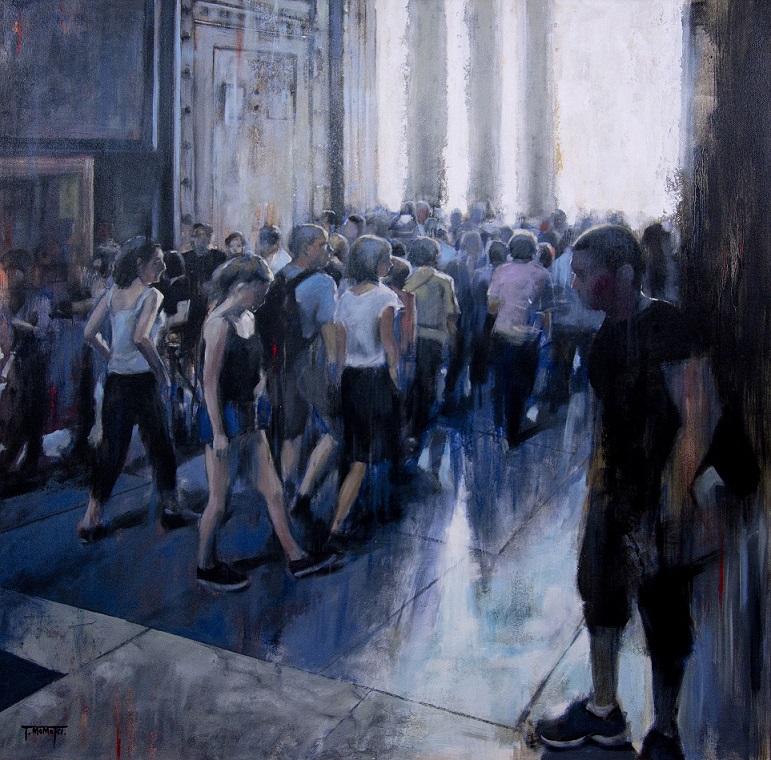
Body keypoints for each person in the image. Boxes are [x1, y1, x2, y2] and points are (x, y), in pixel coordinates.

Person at [535, 225, 697, 760]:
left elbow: (694, 422)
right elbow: (607, 425)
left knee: (663, 613)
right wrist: (598, 492)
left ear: (623, 274)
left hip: (663, 495)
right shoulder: (604, 338)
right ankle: (604, 710)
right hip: (617, 491)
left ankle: (665, 730)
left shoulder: (667, 326)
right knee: (600, 595)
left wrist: (672, 506)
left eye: (584, 274)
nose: (575, 283)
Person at [197, 256, 336, 590]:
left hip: (249, 414)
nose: (263, 297)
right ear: (242, 286)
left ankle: (296, 557)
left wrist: (260, 390)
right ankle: (204, 564)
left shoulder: (248, 318)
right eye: (260, 290)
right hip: (223, 416)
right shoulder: (218, 323)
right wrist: (218, 432)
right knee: (219, 500)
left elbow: (255, 364)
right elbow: (210, 383)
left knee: (273, 490)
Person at [77, 237, 186, 542]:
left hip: (116, 381)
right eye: (157, 261)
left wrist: (111, 355)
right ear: (139, 264)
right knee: (160, 443)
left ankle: (90, 518)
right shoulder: (151, 295)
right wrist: (161, 373)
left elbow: (89, 332)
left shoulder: (113, 293)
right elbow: (141, 337)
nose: (162, 267)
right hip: (142, 381)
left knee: (112, 450)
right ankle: (171, 506)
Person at [326, 236, 401, 550]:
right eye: (386, 259)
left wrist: (339, 380)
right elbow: (389, 345)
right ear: (376, 263)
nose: (390, 264)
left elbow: (340, 349)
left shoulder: (345, 297)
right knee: (365, 455)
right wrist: (396, 379)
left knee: (354, 449)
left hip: (350, 379)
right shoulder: (385, 297)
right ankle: (338, 524)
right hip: (375, 379)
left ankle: (350, 508)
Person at [258, 225, 338, 518]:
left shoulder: (278, 277)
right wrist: (336, 370)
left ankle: (286, 490)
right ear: (306, 248)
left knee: (291, 431)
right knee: (336, 428)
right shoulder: (323, 283)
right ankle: (304, 494)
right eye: (322, 244)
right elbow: (329, 331)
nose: (328, 250)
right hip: (309, 364)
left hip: (280, 365)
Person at [487, 230, 554, 446]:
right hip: (528, 337)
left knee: (502, 378)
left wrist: (507, 303)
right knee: (522, 384)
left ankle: (500, 421)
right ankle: (513, 430)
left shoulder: (500, 271)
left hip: (503, 333)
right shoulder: (542, 274)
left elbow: (491, 307)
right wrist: (546, 336)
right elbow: (547, 311)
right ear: (534, 250)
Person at [0, 248, 52, 478]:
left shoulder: (38, 298)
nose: (11, 275)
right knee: (20, 408)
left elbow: (43, 330)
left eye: (15, 270)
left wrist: (27, 327)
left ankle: (28, 458)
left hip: (37, 359)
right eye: (8, 270)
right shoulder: (6, 300)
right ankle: (17, 457)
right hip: (18, 360)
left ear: (24, 272)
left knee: (34, 409)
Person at [403, 237, 459, 441]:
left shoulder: (407, 279)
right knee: (427, 384)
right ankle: (417, 429)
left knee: (410, 382)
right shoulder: (444, 281)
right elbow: (451, 316)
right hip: (434, 338)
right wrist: (453, 342)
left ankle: (406, 424)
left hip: (410, 336)